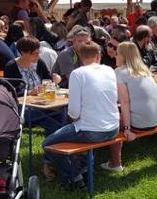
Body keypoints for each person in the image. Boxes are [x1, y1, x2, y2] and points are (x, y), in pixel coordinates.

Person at [42, 41, 120, 189]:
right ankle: (83, 170)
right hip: (114, 128)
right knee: (77, 132)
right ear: (98, 55)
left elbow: (74, 112)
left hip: (93, 131)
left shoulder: (78, 74)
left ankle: (74, 176)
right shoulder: (109, 70)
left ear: (80, 56)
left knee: (47, 144)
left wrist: (74, 121)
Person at [101, 41, 157, 172]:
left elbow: (124, 102)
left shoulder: (119, 72)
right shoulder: (144, 70)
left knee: (112, 119)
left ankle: (115, 163)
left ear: (124, 56)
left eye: (117, 54)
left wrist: (127, 128)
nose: (115, 56)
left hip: (141, 123)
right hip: (156, 119)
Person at [3, 37, 64, 135]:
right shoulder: (11, 67)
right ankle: (53, 142)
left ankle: (59, 141)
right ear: (23, 52)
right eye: (34, 54)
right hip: (22, 107)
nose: (37, 56)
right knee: (54, 122)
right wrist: (29, 92)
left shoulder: (39, 63)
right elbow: (10, 92)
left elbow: (48, 80)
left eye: (38, 53)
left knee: (62, 116)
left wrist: (56, 80)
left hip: (42, 103)